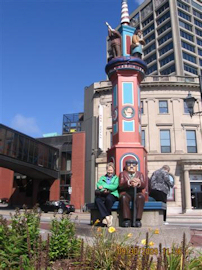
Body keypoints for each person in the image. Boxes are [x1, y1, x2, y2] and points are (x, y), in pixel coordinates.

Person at [119, 159, 146, 227]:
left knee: (140, 197)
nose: (131, 166)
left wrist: (138, 183)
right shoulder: (122, 174)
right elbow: (121, 185)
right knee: (124, 198)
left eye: (133, 165)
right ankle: (126, 219)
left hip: (137, 192)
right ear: (125, 166)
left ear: (136, 166)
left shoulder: (140, 174)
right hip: (126, 192)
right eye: (129, 165)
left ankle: (137, 219)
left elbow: (143, 185)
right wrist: (129, 182)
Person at [95, 162, 119, 227]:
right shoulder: (102, 177)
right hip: (103, 193)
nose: (110, 172)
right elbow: (98, 184)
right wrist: (103, 189)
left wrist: (105, 187)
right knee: (97, 200)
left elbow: (114, 186)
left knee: (109, 199)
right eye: (108, 170)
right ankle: (107, 216)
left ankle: (105, 216)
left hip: (112, 193)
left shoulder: (116, 178)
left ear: (113, 170)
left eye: (111, 170)